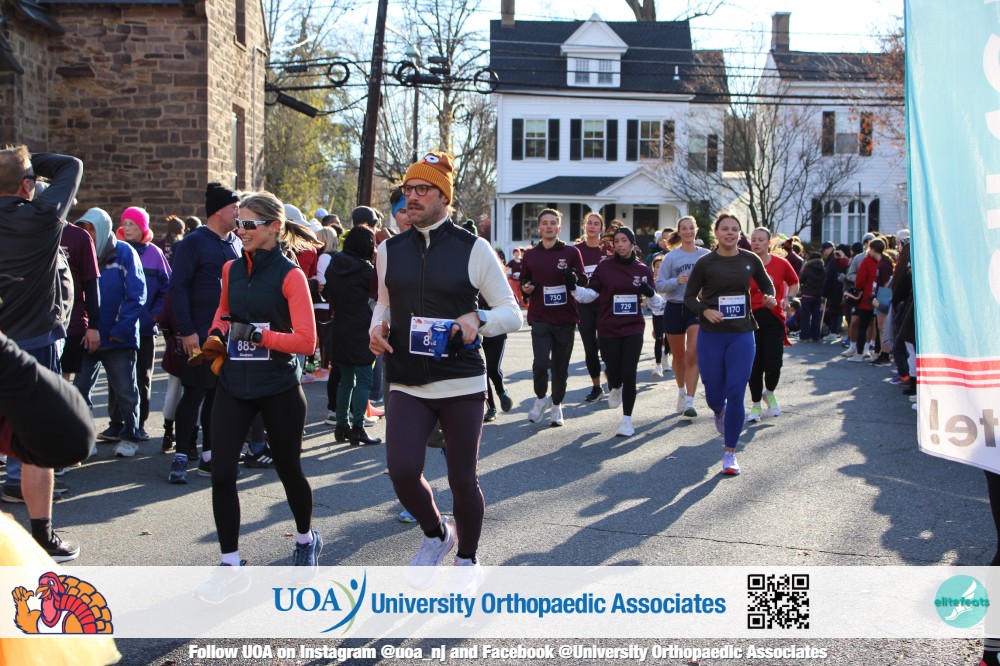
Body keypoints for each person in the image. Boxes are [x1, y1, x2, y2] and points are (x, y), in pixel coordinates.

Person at [369, 151, 521, 588]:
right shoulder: (388, 250)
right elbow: (385, 303)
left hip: (461, 379)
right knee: (401, 470)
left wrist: (479, 318)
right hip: (406, 378)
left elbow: (512, 313)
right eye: (408, 190)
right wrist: (376, 328)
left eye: (423, 189)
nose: (412, 198)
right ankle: (438, 534)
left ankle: (467, 561)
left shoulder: (474, 248)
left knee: (462, 479)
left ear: (444, 197)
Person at [196, 191, 322, 592]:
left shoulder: (291, 275)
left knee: (288, 470)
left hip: (278, 386)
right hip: (234, 383)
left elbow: (307, 342)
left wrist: (259, 336)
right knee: (221, 473)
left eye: (249, 224)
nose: (241, 230)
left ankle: (306, 538)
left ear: (274, 227)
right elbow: (223, 312)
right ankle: (230, 565)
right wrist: (216, 334)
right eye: (238, 223)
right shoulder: (231, 269)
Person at [0, 146, 82, 561]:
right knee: (36, 448)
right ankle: (42, 538)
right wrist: (28, 158)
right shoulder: (43, 216)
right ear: (28, 185)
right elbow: (71, 166)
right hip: (33, 346)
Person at [684, 212, 776, 476]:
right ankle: (718, 411)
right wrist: (705, 311)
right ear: (716, 232)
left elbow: (767, 286)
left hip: (742, 333)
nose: (730, 233)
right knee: (714, 394)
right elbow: (689, 297)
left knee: (736, 391)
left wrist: (769, 298)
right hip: (712, 334)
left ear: (739, 233)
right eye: (724, 229)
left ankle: (729, 453)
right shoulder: (705, 263)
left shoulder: (750, 259)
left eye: (734, 229)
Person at [166, 183, 242, 484]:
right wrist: (186, 331)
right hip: (198, 334)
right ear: (219, 210)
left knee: (218, 396)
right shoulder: (193, 243)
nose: (238, 213)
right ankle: (181, 456)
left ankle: (210, 456)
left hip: (228, 336)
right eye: (234, 208)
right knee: (194, 392)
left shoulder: (236, 243)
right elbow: (178, 289)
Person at [73, 208, 147, 457]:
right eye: (83, 228)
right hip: (87, 337)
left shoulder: (124, 252)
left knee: (126, 392)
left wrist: (120, 330)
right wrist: (83, 328)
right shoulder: (81, 252)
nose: (88, 233)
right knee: (79, 390)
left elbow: (136, 294)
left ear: (103, 229)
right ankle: (85, 439)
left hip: (118, 338)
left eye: (91, 228)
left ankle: (130, 436)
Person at [571, 226, 656, 437]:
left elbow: (657, 305)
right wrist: (573, 288)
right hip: (608, 327)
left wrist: (651, 294)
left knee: (630, 372)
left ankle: (627, 421)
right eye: (617, 241)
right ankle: (615, 386)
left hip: (633, 327)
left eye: (624, 240)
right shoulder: (605, 267)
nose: (620, 244)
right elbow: (589, 295)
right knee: (614, 372)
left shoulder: (643, 270)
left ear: (632, 243)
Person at [106, 206, 170, 441]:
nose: (127, 228)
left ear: (143, 228)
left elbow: (166, 288)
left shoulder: (154, 253)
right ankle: (115, 424)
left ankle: (139, 424)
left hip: (144, 328)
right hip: (118, 327)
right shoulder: (113, 250)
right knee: (116, 377)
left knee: (142, 377)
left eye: (132, 224)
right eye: (125, 223)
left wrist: (153, 316)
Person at [520, 208, 587, 426]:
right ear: (539, 227)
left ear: (559, 227)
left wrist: (573, 278)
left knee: (560, 367)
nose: (549, 226)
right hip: (540, 316)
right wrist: (526, 288)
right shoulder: (530, 255)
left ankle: (557, 405)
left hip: (565, 318)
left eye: (553, 223)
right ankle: (541, 398)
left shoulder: (571, 252)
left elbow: (583, 280)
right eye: (545, 223)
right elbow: (524, 282)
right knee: (540, 363)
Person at [327, 224, 382, 446]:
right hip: (362, 330)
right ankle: (358, 427)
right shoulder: (367, 272)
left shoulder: (333, 265)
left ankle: (341, 426)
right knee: (364, 381)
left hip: (339, 328)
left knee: (346, 380)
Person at [655, 216, 709, 417]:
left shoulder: (705, 255)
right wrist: (676, 281)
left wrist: (705, 291)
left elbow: (715, 282)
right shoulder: (671, 258)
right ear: (679, 232)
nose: (688, 232)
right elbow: (659, 286)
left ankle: (690, 401)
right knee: (678, 357)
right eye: (684, 228)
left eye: (691, 228)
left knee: (692, 354)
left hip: (695, 308)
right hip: (674, 308)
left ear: (696, 230)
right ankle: (681, 391)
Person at [746, 228, 798, 422]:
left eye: (760, 240)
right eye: (753, 240)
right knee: (754, 364)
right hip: (750, 319)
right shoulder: (745, 264)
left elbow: (794, 282)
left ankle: (769, 392)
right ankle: (755, 404)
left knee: (774, 363)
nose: (756, 243)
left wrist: (788, 299)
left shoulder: (781, 263)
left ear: (769, 243)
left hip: (774, 318)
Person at [574, 211, 610, 402]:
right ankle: (596, 387)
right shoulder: (576, 251)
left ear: (601, 228)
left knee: (607, 346)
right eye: (589, 223)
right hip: (584, 306)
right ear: (584, 226)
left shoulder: (608, 250)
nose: (592, 226)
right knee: (590, 348)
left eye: (596, 224)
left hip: (605, 305)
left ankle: (612, 380)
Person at [797, 249, 825, 342]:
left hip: (807, 295)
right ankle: (815, 336)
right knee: (816, 317)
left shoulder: (807, 269)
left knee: (806, 316)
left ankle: (804, 336)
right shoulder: (823, 270)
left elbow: (800, 279)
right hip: (818, 296)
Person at [648, 255, 668, 377]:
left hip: (670, 312)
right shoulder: (651, 281)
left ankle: (665, 356)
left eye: (662, 266)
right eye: (657, 266)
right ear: (653, 268)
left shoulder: (669, 279)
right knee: (659, 338)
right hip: (658, 313)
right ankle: (658, 365)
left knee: (669, 338)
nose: (659, 269)